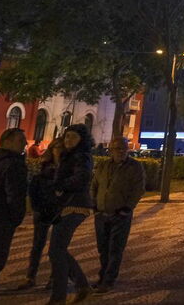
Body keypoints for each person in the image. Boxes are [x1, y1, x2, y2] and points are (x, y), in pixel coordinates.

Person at [91, 137, 145, 294]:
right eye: (117, 148)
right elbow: (94, 185)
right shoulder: (103, 165)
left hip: (120, 214)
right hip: (101, 213)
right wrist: (94, 205)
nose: (121, 151)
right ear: (111, 150)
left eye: (123, 148)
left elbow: (138, 189)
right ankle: (102, 276)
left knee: (115, 248)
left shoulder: (134, 167)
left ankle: (108, 280)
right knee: (103, 248)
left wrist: (127, 208)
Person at [49, 124, 94, 304]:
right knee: (57, 250)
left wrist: (59, 186)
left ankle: (59, 297)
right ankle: (82, 286)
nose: (68, 140)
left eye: (73, 137)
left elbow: (81, 178)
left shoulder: (82, 156)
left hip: (75, 205)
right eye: (67, 136)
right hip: (67, 204)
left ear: (82, 140)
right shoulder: (70, 155)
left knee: (56, 250)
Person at [0, 128, 28, 305]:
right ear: (8, 141)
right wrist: (15, 219)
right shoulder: (14, 164)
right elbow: (15, 197)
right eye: (21, 140)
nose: (25, 143)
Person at [17, 137, 64, 291]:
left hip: (59, 212)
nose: (59, 151)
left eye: (61, 148)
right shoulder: (43, 165)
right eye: (56, 148)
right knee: (37, 245)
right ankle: (30, 277)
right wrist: (36, 207)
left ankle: (54, 278)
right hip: (42, 210)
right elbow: (34, 185)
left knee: (56, 248)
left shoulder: (69, 168)